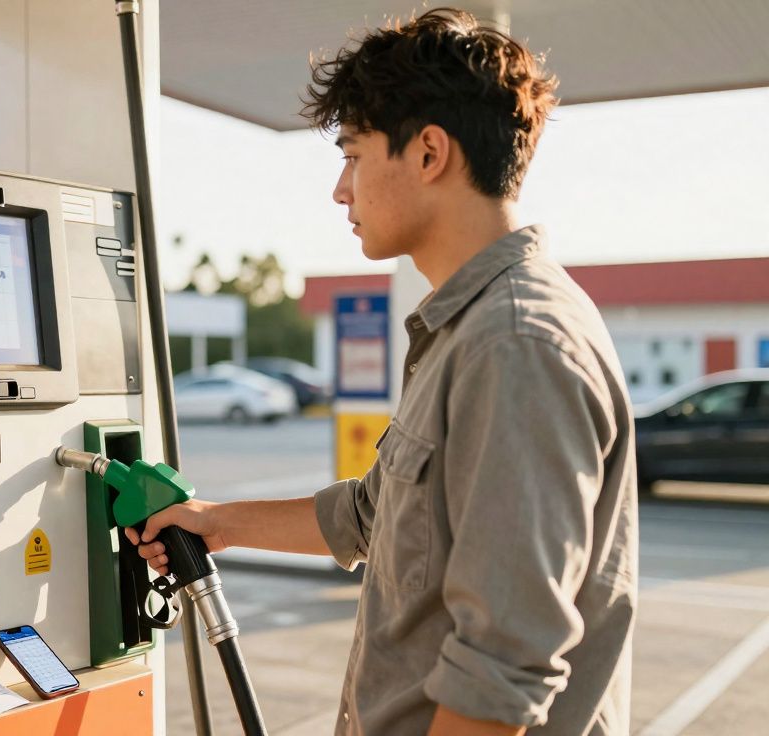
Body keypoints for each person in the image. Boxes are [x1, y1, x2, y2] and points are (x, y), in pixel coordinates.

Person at [127, 8, 638, 735]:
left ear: (429, 153)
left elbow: (504, 661)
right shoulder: (465, 327)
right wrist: (216, 523)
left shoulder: (515, 343)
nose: (342, 190)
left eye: (354, 155)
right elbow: (377, 515)